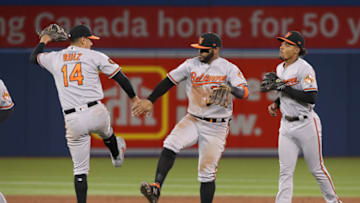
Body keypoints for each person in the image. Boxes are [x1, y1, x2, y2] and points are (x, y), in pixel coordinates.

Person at [133, 32, 249, 203]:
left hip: (217, 127)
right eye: (199, 49)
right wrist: (150, 100)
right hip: (193, 119)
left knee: (206, 173)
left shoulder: (228, 68)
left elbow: (245, 92)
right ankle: (156, 188)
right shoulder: (190, 65)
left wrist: (231, 89)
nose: (200, 53)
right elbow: (168, 81)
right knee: (170, 144)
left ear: (215, 50)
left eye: (204, 50)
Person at [29, 24, 139, 203]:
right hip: (96, 112)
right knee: (107, 132)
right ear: (82, 40)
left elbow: (34, 58)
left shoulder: (55, 58)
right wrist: (134, 99)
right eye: (89, 40)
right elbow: (120, 77)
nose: (91, 43)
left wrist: (44, 41)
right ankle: (116, 154)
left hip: (73, 119)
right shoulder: (94, 56)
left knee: (80, 171)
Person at [265, 31, 341, 203]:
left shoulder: (304, 68)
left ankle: (334, 201)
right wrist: (276, 104)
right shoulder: (280, 68)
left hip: (306, 123)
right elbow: (286, 93)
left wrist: (283, 86)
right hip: (286, 125)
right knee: (285, 171)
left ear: (297, 49)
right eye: (282, 43)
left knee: (317, 169)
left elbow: (311, 96)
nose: (282, 47)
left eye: (287, 44)